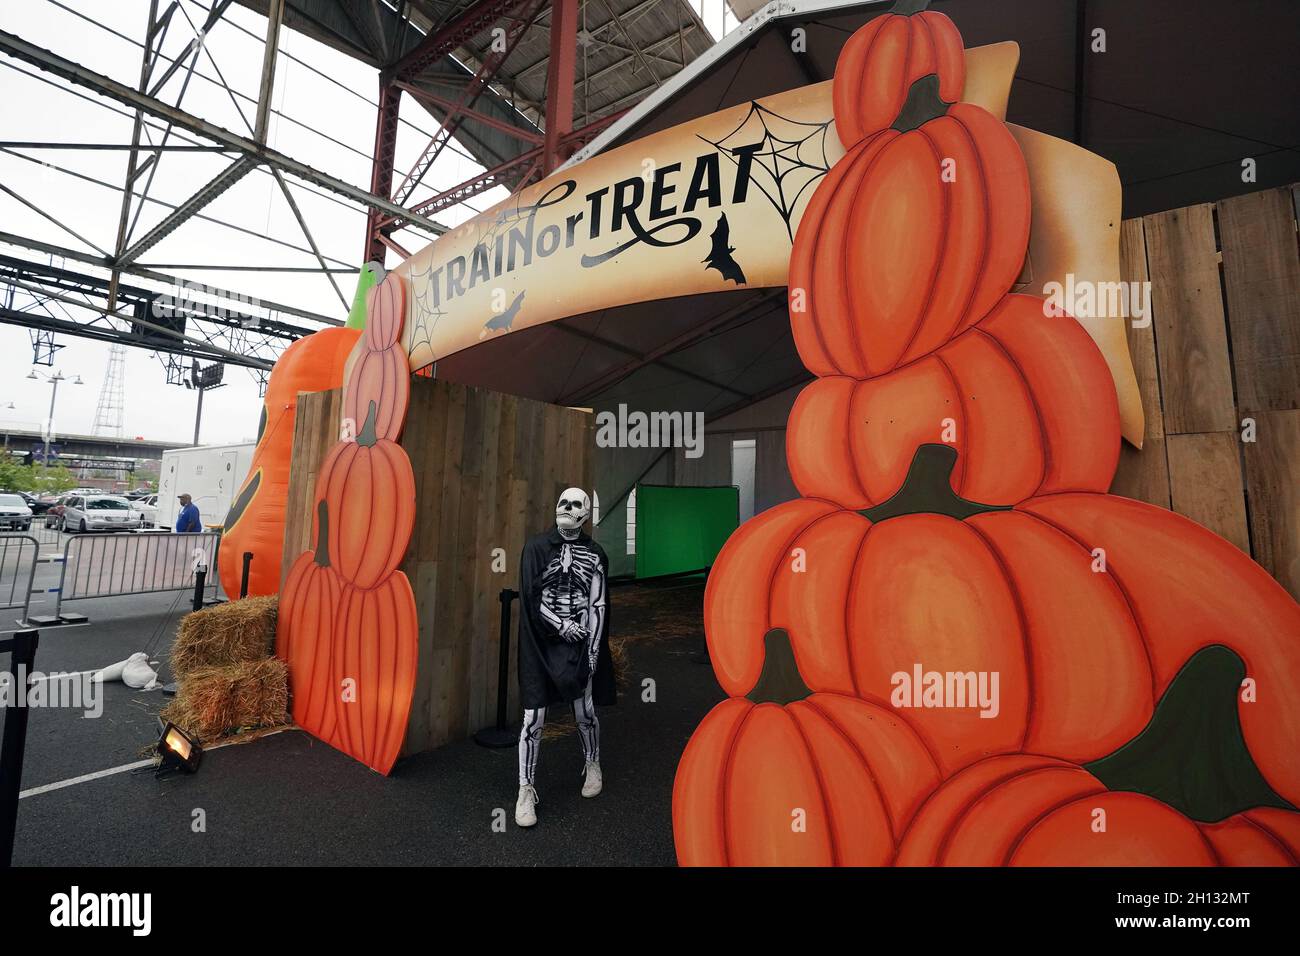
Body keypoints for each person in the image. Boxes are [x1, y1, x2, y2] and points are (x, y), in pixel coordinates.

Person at [514, 487, 615, 828]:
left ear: (585, 514)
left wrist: (594, 652)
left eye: (575, 505)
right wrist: (561, 624)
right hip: (541, 641)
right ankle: (525, 788)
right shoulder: (536, 548)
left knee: (583, 709)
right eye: (563, 503)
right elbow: (531, 597)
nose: (567, 509)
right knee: (533, 717)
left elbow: (598, 605)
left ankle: (592, 762)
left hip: (577, 645)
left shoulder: (595, 554)